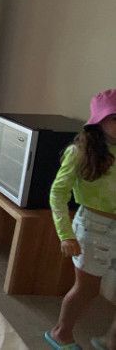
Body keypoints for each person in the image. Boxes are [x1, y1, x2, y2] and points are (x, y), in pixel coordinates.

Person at [45, 89, 116, 350]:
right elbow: (58, 193)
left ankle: (111, 340)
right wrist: (65, 234)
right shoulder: (80, 152)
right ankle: (60, 333)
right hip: (94, 228)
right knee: (87, 289)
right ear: (100, 121)